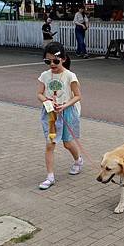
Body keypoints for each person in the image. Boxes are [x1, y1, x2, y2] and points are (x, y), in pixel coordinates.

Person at [36, 41, 83, 190]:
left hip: (67, 112)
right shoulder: (44, 75)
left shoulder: (70, 76)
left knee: (67, 143)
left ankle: (78, 160)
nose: (52, 64)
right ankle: (50, 177)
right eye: (47, 61)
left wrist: (65, 105)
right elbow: (39, 94)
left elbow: (77, 96)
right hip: (51, 114)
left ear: (63, 59)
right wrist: (46, 100)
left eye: (55, 61)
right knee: (50, 144)